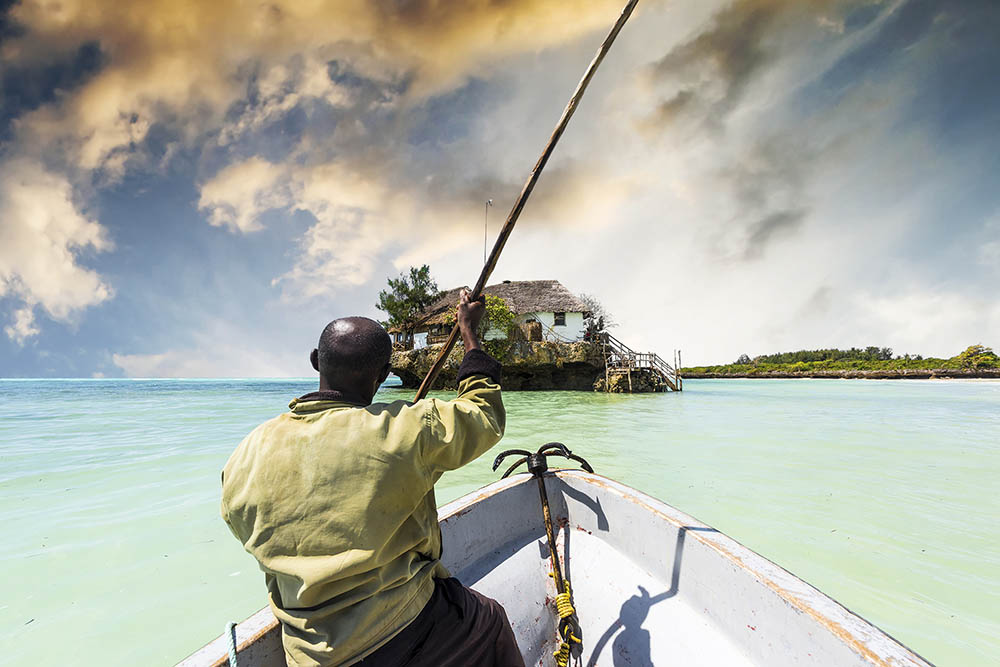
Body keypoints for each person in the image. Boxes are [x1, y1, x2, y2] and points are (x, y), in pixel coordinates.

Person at [221, 290, 524, 667]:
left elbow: (241, 526)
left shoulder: (244, 455)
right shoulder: (410, 428)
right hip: (402, 629)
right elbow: (483, 413)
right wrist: (468, 333)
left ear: (316, 362)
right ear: (383, 375)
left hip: (307, 653)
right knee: (490, 618)